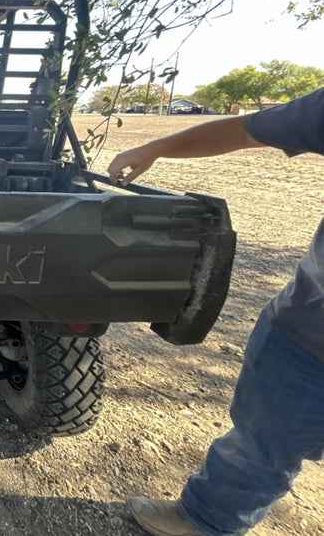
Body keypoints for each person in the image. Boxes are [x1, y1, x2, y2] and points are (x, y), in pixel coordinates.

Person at [106, 87, 324, 536]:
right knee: (261, 442)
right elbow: (244, 131)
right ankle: (205, 520)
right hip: (310, 329)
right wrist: (157, 147)